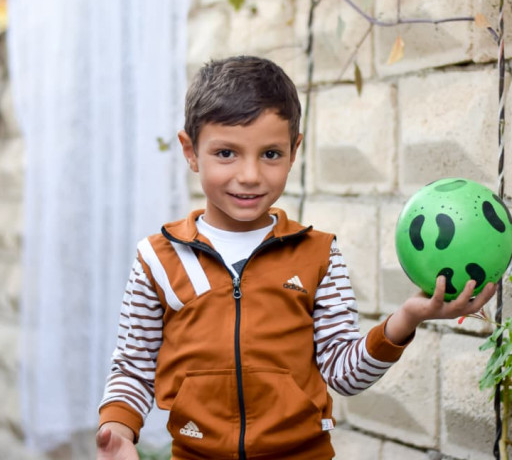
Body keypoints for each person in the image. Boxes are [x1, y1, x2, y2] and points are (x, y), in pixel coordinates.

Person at [96, 55, 496, 460]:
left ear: (294, 151)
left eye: (270, 154)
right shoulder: (157, 259)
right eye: (226, 153)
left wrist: (406, 319)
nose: (250, 175)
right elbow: (132, 368)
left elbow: (344, 374)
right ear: (191, 151)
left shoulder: (319, 255)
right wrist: (118, 432)